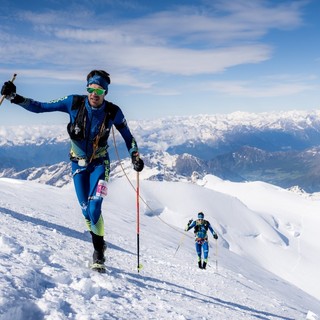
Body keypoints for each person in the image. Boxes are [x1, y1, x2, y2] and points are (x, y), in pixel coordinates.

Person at [1, 70, 144, 270]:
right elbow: (41, 107)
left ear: (106, 91)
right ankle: (99, 241)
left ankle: (98, 253)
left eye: (99, 89)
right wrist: (14, 98)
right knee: (86, 211)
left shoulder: (113, 112)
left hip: (100, 164)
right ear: (87, 89)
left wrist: (135, 157)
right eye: (91, 88)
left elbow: (128, 137)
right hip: (77, 164)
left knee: (95, 208)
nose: (94, 93)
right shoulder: (73, 102)